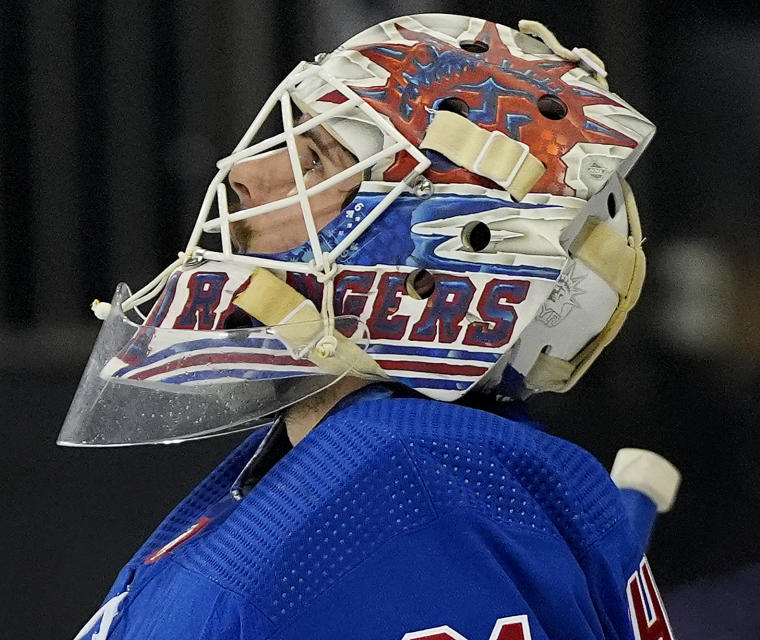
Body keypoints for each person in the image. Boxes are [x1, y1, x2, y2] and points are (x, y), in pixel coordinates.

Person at [60, 13, 674, 640]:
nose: (246, 174)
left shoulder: (377, 511)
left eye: (317, 161)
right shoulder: (450, 476)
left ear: (445, 261)